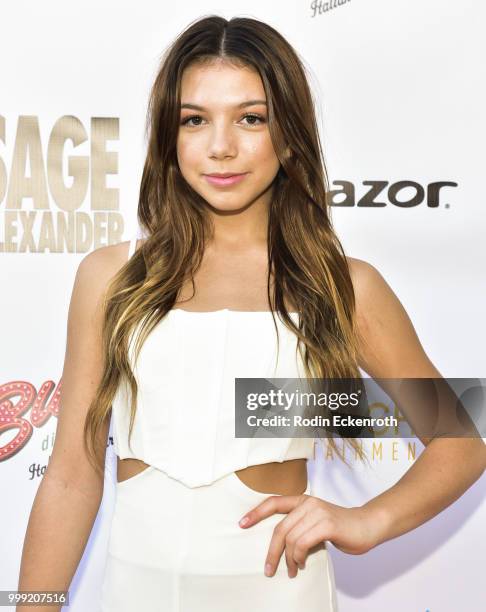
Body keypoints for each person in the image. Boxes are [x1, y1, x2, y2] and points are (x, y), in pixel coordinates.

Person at [17, 14, 485, 612]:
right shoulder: (111, 277)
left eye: (250, 118)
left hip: (278, 593)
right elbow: (69, 477)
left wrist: (370, 520)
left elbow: (463, 437)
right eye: (194, 120)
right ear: (169, 136)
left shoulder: (342, 285)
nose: (221, 146)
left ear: (287, 133)